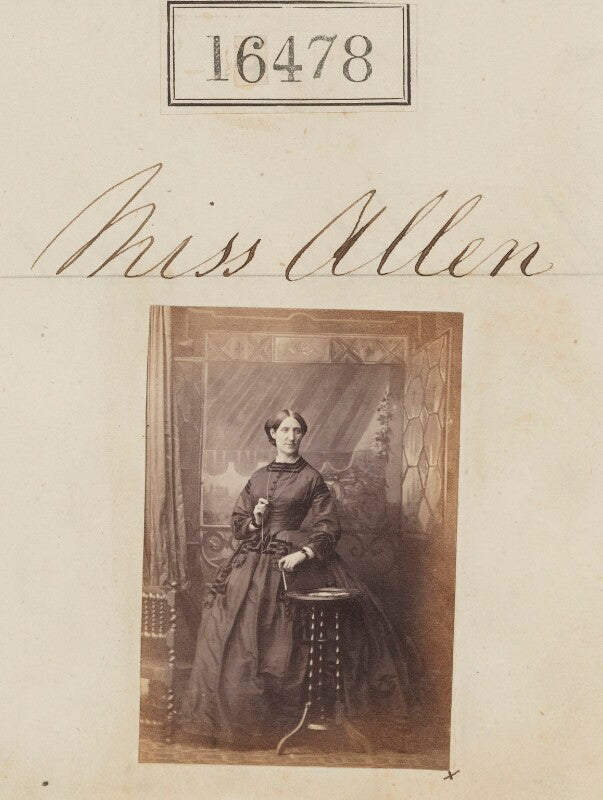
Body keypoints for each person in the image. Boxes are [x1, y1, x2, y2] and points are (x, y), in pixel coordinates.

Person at [181, 410, 410, 747]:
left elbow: (328, 525)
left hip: (295, 560)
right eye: (285, 430)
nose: (291, 436)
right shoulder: (258, 477)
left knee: (290, 636)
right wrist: (255, 519)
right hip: (253, 562)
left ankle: (295, 718)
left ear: (302, 435)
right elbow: (239, 525)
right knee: (233, 631)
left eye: (297, 430)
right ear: (272, 434)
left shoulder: (311, 478)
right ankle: (248, 724)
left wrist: (304, 553)